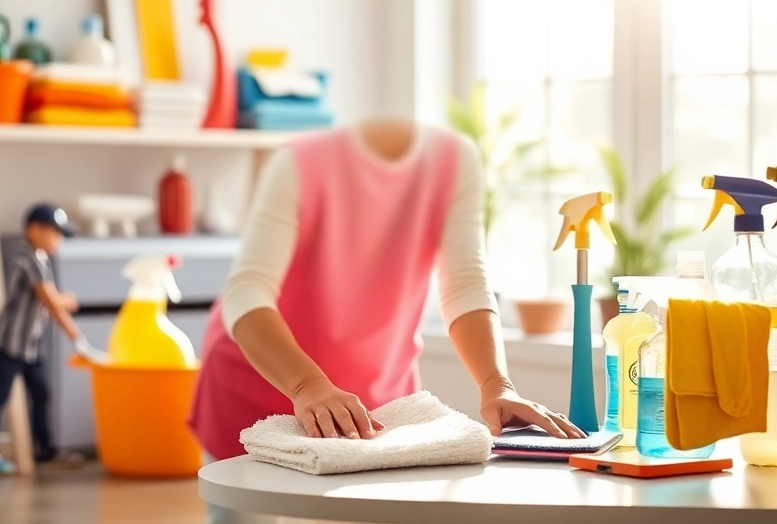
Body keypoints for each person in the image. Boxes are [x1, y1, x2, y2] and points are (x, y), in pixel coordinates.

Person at [190, 120, 584, 522]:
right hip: (261, 376)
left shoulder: (453, 159)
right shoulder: (299, 161)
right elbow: (247, 291)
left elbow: (464, 283)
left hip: (377, 398)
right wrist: (308, 384)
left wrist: (496, 384)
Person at [0, 202, 101, 475]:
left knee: (42, 394)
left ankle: (45, 448)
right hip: (11, 343)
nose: (57, 240)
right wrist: (73, 324)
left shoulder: (43, 260)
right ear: (34, 230)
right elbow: (50, 300)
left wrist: (62, 306)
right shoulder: (28, 259)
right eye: (54, 233)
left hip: (31, 347)